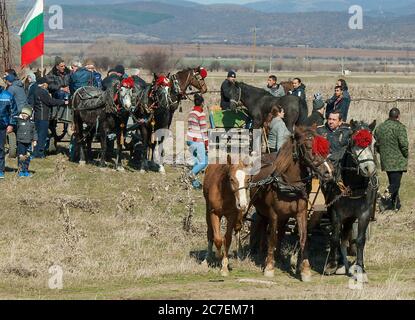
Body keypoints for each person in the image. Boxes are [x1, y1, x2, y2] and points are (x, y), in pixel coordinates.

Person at [374, 108, 409, 211]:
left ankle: (395, 204)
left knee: (392, 181)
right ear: (398, 116)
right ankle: (383, 199)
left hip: (385, 160)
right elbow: (403, 144)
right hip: (398, 160)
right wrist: (406, 154)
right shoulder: (399, 127)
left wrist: (381, 152)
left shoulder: (380, 128)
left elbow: (376, 142)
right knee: (395, 184)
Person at [32, 77, 67, 158]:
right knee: (42, 136)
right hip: (43, 117)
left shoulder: (36, 91)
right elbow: (50, 102)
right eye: (47, 84)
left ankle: (36, 152)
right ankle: (39, 154)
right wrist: (63, 102)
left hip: (38, 116)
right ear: (44, 84)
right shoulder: (42, 92)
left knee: (38, 135)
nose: (47, 86)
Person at [316, 110, 351, 179]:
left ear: (340, 122)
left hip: (340, 167)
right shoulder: (319, 131)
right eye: (329, 119)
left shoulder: (347, 132)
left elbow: (347, 149)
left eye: (334, 120)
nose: (331, 122)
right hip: (324, 165)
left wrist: (335, 156)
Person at [186, 93, 209, 189]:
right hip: (197, 140)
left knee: (197, 162)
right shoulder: (201, 114)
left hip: (189, 139)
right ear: (202, 103)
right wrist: (207, 145)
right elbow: (203, 131)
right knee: (203, 162)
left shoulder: (191, 112)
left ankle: (195, 184)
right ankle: (189, 175)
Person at [0, 78, 18, 179]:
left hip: (2, 125)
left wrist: (11, 124)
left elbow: (13, 111)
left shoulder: (7, 96)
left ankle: (0, 170)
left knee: (1, 148)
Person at [15, 106, 37, 177]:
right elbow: (14, 119)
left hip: (28, 143)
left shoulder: (32, 123)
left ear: (29, 115)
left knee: (27, 157)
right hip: (21, 142)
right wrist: (19, 116)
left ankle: (26, 170)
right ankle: (20, 171)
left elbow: (34, 132)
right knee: (21, 157)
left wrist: (35, 140)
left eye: (26, 113)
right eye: (23, 113)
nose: (24, 115)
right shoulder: (19, 121)